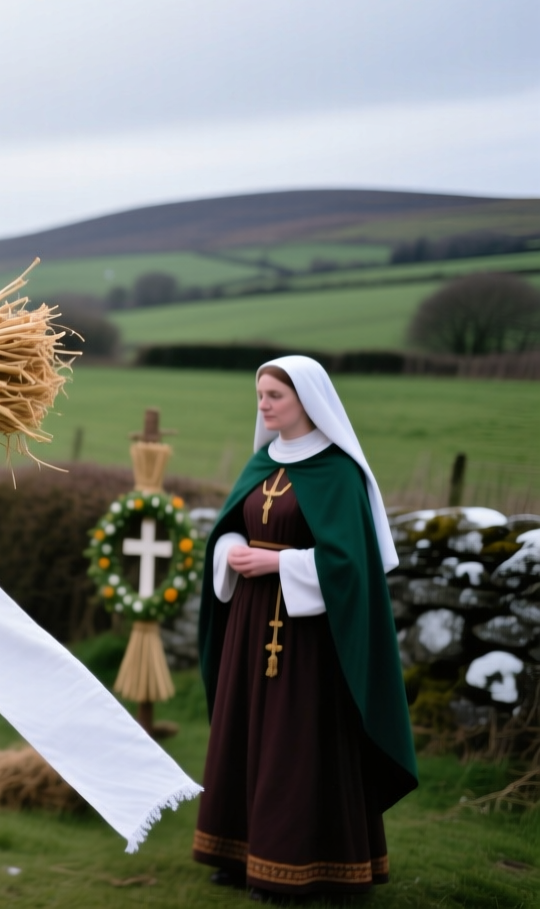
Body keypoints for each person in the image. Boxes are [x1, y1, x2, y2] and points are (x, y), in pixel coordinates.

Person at [194, 356, 416, 903]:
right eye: (260, 395)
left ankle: (293, 865)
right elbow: (231, 528)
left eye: (275, 396)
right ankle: (236, 852)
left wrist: (280, 563)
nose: (264, 405)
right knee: (246, 731)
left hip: (309, 639)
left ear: (307, 401)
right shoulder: (262, 463)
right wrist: (230, 551)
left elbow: (351, 565)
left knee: (296, 741)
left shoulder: (338, 471)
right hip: (251, 626)